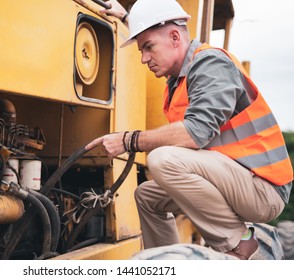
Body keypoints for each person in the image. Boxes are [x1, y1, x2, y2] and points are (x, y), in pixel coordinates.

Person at [86, 0, 293, 260]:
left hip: (263, 189)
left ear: (175, 36)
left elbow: (195, 133)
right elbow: (158, 32)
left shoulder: (210, 63)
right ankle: (168, 262)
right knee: (147, 196)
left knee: (162, 159)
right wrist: (129, 17)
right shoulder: (180, 78)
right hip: (237, 178)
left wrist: (130, 140)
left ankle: (243, 246)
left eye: (148, 48)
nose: (143, 58)